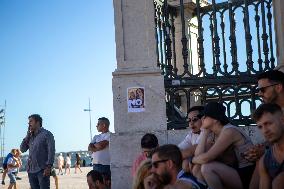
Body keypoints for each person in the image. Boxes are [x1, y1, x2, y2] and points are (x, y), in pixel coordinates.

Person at [192, 102, 255, 189]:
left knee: (207, 167)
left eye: (205, 116)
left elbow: (206, 158)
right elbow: (198, 156)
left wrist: (192, 160)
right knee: (197, 169)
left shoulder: (229, 131)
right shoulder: (213, 133)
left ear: (215, 119)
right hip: (234, 172)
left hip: (247, 175)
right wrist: (204, 133)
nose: (202, 119)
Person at [252, 103, 284, 189]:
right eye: (260, 127)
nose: (265, 131)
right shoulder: (265, 160)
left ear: (283, 120)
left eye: (268, 123)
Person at [20, 114, 55, 189]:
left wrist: (49, 166)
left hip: (42, 170)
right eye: (28, 122)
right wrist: (27, 135)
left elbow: (51, 151)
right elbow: (22, 149)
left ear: (37, 122)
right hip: (31, 171)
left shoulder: (47, 134)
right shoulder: (30, 136)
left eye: (31, 121)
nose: (29, 123)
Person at [179, 106, 204, 173]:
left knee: (185, 163)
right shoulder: (191, 134)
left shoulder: (207, 132)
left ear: (204, 119)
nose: (191, 123)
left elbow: (190, 152)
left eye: (195, 119)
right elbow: (179, 148)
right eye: (189, 120)